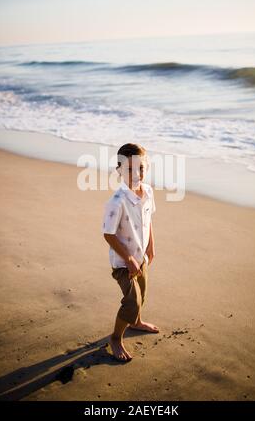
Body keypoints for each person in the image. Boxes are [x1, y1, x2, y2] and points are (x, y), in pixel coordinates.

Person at [102, 143, 159, 362]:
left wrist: (151, 246)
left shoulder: (148, 192)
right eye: (129, 169)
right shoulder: (116, 202)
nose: (136, 174)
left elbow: (149, 219)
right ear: (119, 171)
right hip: (123, 263)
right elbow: (108, 234)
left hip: (141, 256)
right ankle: (116, 338)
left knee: (142, 295)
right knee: (132, 301)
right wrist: (128, 259)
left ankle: (136, 322)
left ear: (147, 167)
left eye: (141, 168)